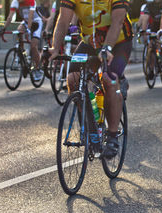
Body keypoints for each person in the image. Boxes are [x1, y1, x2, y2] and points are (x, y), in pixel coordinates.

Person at [49, 0, 133, 159]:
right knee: (73, 79)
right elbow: (63, 19)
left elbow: (118, 21)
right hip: (90, 43)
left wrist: (107, 48)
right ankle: (91, 125)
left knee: (109, 80)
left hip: (119, 42)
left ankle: (113, 137)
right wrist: (55, 47)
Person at [2, 0, 43, 81]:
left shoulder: (31, 1)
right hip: (26, 22)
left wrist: (28, 30)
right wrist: (3, 29)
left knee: (33, 46)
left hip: (36, 22)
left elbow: (31, 16)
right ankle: (22, 53)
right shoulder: (15, 2)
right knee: (19, 30)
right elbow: (10, 17)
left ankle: (38, 69)